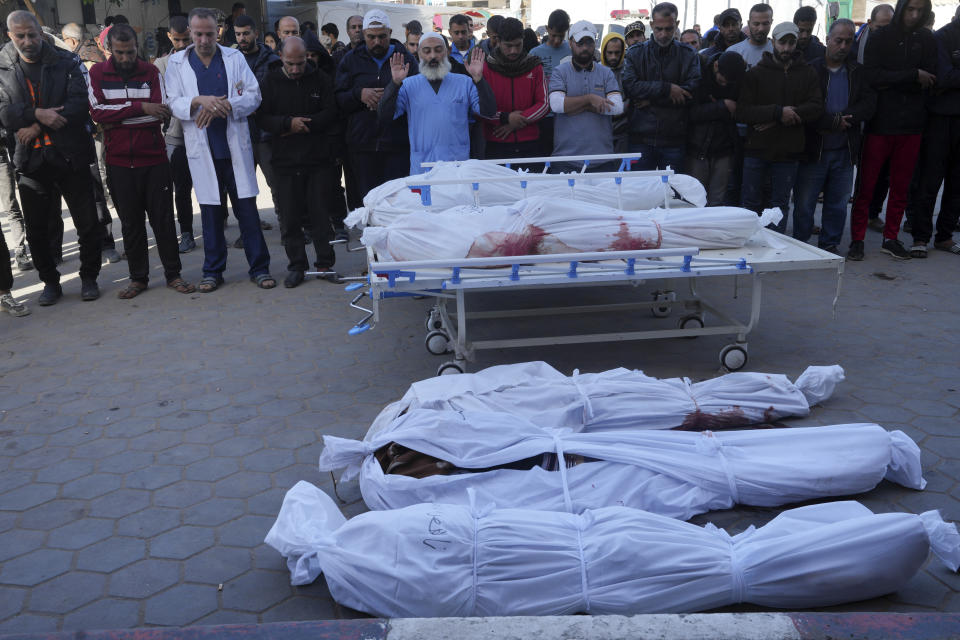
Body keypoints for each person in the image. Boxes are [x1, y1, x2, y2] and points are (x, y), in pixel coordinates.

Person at [165, 7, 274, 292]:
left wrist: (225, 106)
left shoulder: (234, 58)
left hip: (234, 150)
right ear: (190, 32)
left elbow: (253, 95)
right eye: (198, 33)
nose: (203, 39)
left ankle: (260, 268)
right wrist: (200, 101)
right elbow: (173, 102)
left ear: (219, 32)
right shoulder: (177, 63)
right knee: (211, 215)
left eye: (209, 33)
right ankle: (213, 271)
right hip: (203, 151)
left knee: (247, 213)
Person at [0, 10, 103, 305]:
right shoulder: (3, 66)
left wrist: (35, 123)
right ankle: (50, 283)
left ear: (40, 32)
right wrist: (36, 114)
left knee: (87, 222)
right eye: (20, 36)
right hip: (30, 160)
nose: (28, 40)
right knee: (37, 229)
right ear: (10, 36)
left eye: (32, 34)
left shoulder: (66, 60)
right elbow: (4, 112)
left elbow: (79, 104)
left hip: (70, 154)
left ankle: (89, 277)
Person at [87, 24, 195, 298]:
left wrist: (119, 119)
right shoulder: (97, 73)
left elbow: (160, 113)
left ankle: (174, 274)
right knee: (131, 224)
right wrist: (139, 107)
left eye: (131, 52)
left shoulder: (151, 72)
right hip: (119, 162)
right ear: (109, 49)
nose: (126, 58)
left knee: (163, 221)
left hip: (154, 160)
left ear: (138, 48)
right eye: (120, 53)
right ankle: (138, 279)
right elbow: (97, 113)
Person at [848, 0, 938, 261]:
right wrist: (911, 75)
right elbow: (873, 77)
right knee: (866, 186)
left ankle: (891, 237)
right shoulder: (882, 37)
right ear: (902, 9)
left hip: (911, 125)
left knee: (901, 186)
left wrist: (897, 78)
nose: (914, 15)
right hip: (880, 124)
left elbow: (930, 77)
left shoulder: (926, 39)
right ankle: (857, 239)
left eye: (919, 10)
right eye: (910, 9)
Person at [257, 37, 339, 287]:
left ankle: (325, 264)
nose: (295, 69)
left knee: (320, 215)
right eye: (290, 64)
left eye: (300, 63)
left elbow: (332, 112)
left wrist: (304, 125)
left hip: (317, 159)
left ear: (308, 58)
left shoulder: (321, 79)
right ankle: (297, 266)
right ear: (280, 56)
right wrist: (285, 124)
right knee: (290, 218)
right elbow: (261, 117)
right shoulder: (270, 81)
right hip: (284, 160)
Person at [793, 19, 875, 253]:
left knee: (837, 204)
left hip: (844, 150)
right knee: (805, 204)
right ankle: (799, 245)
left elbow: (869, 104)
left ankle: (829, 245)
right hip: (814, 148)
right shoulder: (811, 69)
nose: (843, 46)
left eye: (848, 42)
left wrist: (847, 118)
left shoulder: (857, 72)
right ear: (828, 39)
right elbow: (804, 106)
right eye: (838, 40)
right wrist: (830, 121)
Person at [735, 22, 823, 233]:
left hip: (788, 151)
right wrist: (777, 112)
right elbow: (743, 111)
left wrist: (785, 116)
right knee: (750, 204)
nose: (786, 48)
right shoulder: (756, 73)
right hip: (757, 149)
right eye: (782, 42)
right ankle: (749, 248)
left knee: (779, 205)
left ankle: (775, 247)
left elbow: (816, 107)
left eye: (791, 42)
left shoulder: (807, 72)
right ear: (773, 42)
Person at [379, 33, 493, 172]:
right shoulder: (408, 85)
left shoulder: (464, 82)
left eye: (438, 50)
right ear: (419, 54)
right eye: (427, 51)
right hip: (422, 167)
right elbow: (385, 116)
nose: (432, 56)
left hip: (457, 167)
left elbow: (489, 112)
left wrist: (479, 79)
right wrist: (395, 84)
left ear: (447, 52)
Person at [335, 10, 418, 199]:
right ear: (363, 35)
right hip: (362, 144)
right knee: (367, 201)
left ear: (390, 33)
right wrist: (359, 94)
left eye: (382, 36)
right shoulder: (350, 59)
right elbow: (339, 97)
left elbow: (417, 97)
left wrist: (391, 96)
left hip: (397, 143)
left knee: (397, 200)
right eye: (371, 37)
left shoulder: (406, 58)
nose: (377, 42)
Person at [906, 5, 960, 256]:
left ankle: (945, 236)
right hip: (939, 120)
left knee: (957, 184)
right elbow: (945, 77)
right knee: (929, 181)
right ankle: (920, 237)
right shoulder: (943, 37)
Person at [621, 2, 700, 171]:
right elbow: (630, 87)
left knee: (672, 193)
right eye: (659, 29)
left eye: (669, 29)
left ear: (677, 25)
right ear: (651, 25)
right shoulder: (636, 53)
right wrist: (666, 89)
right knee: (639, 192)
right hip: (640, 138)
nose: (663, 34)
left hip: (674, 139)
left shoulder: (688, 54)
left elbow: (691, 92)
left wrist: (652, 101)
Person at [548, 20, 623, 171]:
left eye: (589, 43)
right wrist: (590, 99)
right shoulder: (560, 71)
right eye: (580, 43)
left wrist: (573, 106)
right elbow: (556, 105)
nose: (585, 48)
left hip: (602, 159)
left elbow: (618, 107)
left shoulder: (606, 73)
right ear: (570, 43)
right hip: (565, 159)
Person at [234, 14, 280, 246]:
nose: (242, 38)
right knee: (244, 186)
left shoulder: (271, 60)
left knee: (276, 183)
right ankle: (248, 231)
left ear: (256, 33)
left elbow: (270, 94)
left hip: (265, 133)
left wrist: (252, 103)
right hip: (239, 132)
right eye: (238, 34)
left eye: (246, 33)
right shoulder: (230, 59)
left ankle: (289, 228)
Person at [479, 17, 548, 161]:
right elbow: (478, 108)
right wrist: (506, 118)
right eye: (508, 46)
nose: (513, 51)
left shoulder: (535, 66)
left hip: (530, 143)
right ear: (498, 41)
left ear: (523, 39)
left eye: (518, 45)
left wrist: (514, 123)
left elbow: (544, 104)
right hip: (496, 144)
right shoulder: (485, 68)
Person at [154, 15, 195, 253]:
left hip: (201, 133)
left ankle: (216, 226)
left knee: (215, 186)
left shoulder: (200, 59)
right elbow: (161, 101)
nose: (181, 44)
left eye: (185, 39)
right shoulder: (161, 64)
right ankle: (186, 232)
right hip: (175, 136)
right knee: (179, 188)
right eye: (177, 39)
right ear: (170, 36)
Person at [687, 51, 745, 205]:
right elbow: (690, 113)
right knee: (695, 199)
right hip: (698, 145)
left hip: (724, 146)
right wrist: (722, 106)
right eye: (722, 80)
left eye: (729, 83)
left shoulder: (737, 81)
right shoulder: (698, 76)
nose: (725, 84)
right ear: (715, 66)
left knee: (717, 200)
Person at [530, 9, 571, 156]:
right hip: (544, 116)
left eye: (561, 36)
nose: (557, 41)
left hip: (567, 114)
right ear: (547, 29)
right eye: (553, 36)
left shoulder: (572, 50)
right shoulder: (535, 53)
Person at [600, 31, 630, 152]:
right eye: (610, 53)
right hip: (601, 131)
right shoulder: (596, 71)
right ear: (603, 51)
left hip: (624, 131)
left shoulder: (629, 70)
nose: (613, 57)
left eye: (617, 53)